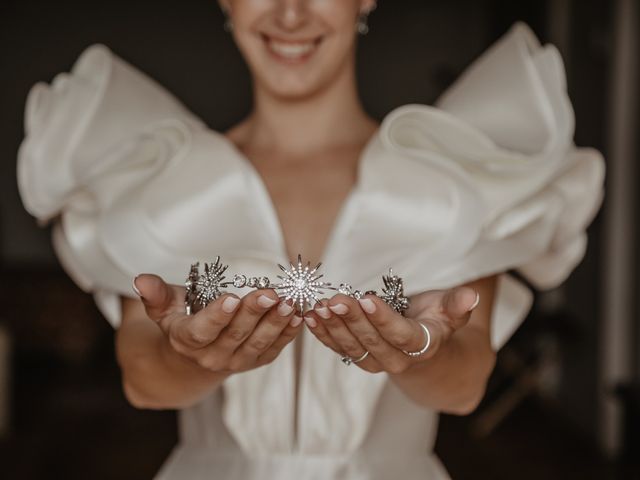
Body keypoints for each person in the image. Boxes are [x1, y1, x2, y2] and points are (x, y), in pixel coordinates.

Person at [17, 1, 605, 478]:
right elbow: (143, 379)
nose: (290, 15)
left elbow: (463, 383)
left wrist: (418, 350)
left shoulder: (447, 181)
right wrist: (186, 353)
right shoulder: (165, 182)